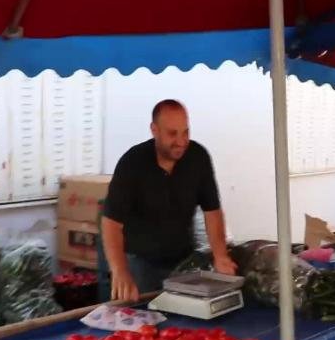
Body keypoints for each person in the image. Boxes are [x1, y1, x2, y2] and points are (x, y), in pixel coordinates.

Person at [101, 99, 237, 301]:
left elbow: (212, 211)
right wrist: (120, 271)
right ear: (154, 130)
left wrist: (220, 255)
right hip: (139, 262)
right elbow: (111, 223)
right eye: (172, 133)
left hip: (183, 261)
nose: (181, 141)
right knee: (144, 322)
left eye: (185, 132)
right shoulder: (132, 163)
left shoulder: (198, 157)